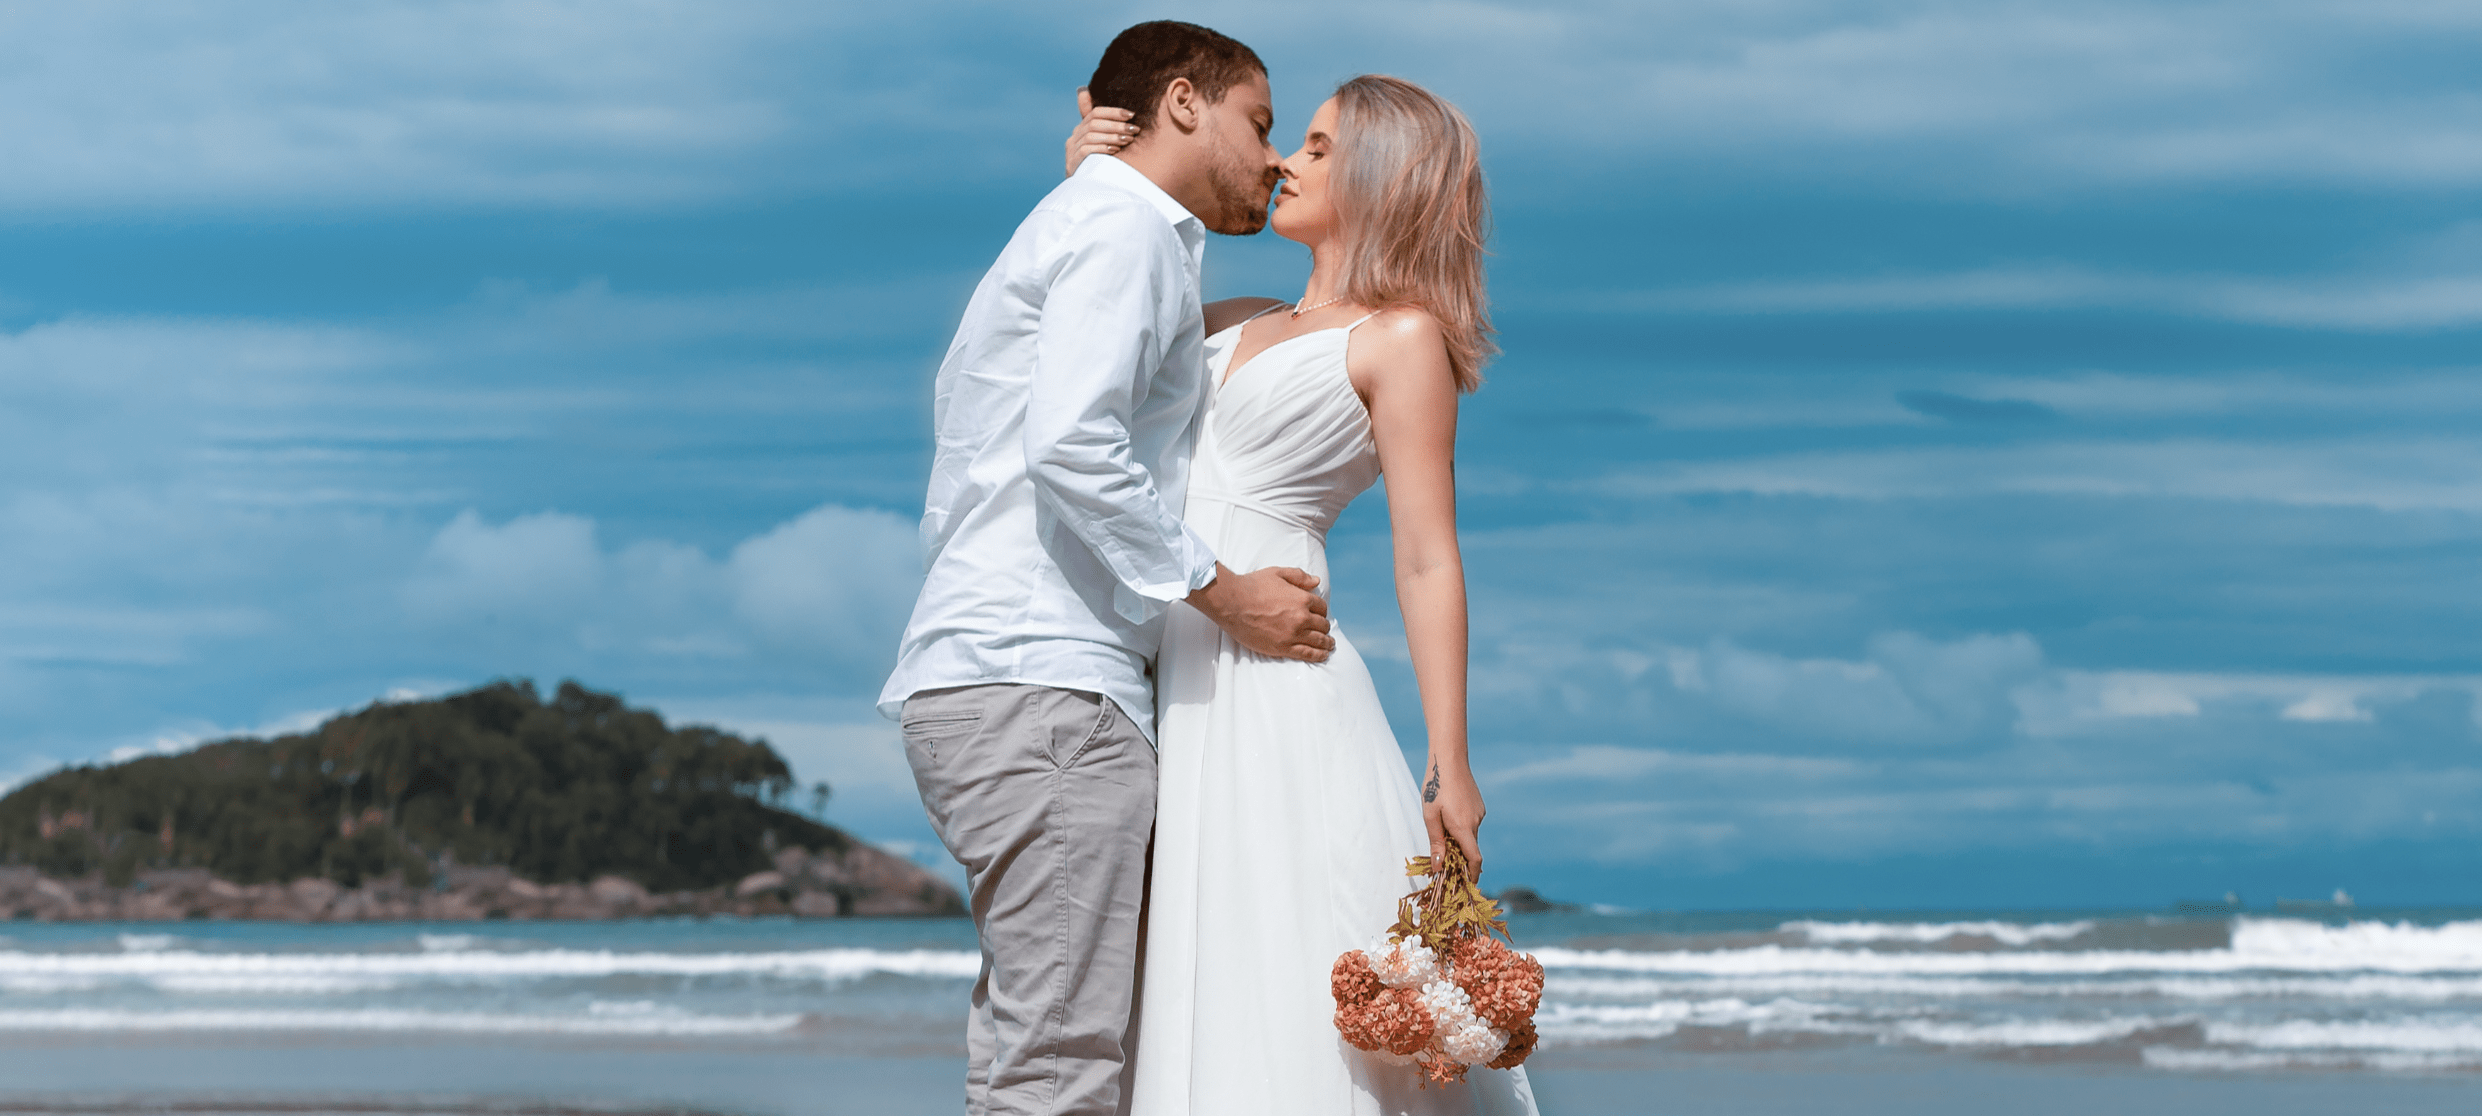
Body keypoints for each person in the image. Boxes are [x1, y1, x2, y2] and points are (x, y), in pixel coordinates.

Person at [878, 21, 1338, 1116]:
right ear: (1185, 102)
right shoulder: (1120, 233)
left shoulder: (1100, 223)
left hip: (1005, 679)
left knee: (1034, 1047)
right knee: (1063, 1063)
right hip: (1044, 686)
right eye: (1260, 123)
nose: (1273, 158)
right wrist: (1225, 596)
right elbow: (1073, 444)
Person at [1065, 77, 1539, 1114]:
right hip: (1172, 669)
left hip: (1279, 680)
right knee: (1199, 953)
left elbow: (1427, 557)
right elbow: (1088, 321)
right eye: (1295, 143)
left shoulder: (1400, 337)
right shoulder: (1227, 318)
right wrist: (1093, 184)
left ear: (1380, 176)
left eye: (1318, 148)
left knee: (1283, 943)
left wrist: (1447, 761)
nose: (1285, 161)